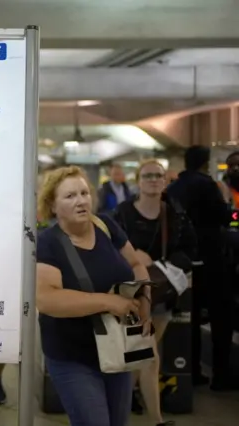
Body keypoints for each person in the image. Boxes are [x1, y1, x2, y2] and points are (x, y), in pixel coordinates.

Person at [36, 165, 151, 426]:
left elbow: (136, 264)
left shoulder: (105, 225)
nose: (81, 201)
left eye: (84, 193)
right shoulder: (48, 243)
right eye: (69, 196)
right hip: (73, 356)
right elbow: (47, 299)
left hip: (116, 346)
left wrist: (144, 298)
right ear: (52, 206)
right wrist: (108, 302)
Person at [114, 159, 197, 425]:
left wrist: (164, 263)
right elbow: (107, 247)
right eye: (147, 175)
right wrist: (132, 257)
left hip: (161, 292)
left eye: (157, 176)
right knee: (147, 353)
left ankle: (125, 402)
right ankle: (155, 418)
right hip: (130, 293)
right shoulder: (123, 213)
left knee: (143, 352)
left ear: (164, 181)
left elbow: (189, 249)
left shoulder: (174, 213)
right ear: (138, 181)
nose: (152, 180)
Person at [166, 146, 235, 390]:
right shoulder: (208, 185)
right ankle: (221, 375)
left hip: (184, 261)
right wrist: (226, 202)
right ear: (206, 163)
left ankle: (191, 371)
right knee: (221, 317)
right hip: (213, 259)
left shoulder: (173, 187)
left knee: (189, 317)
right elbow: (223, 217)